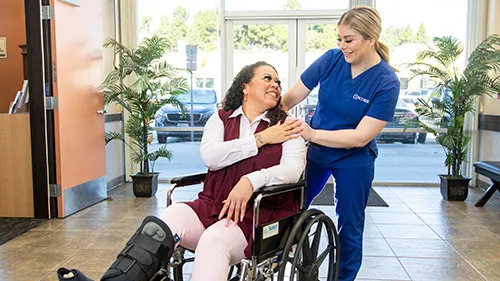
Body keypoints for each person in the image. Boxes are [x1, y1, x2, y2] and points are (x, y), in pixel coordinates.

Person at [58, 61, 306, 281]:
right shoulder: (220, 119)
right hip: (213, 206)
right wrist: (260, 139)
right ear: (245, 87)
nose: (275, 84)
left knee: (213, 240)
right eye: (267, 78)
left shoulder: (287, 126)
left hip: (260, 215)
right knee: (161, 224)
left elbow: (293, 171)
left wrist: (251, 181)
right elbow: (211, 157)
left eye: (278, 81)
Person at [282, 6, 400, 281]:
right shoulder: (332, 59)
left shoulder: (386, 81)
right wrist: (263, 115)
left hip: (354, 159)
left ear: (371, 39)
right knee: (290, 204)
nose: (342, 46)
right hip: (319, 152)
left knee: (350, 225)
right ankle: (283, 260)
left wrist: (311, 134)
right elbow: (291, 98)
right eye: (339, 38)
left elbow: (360, 136)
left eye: (349, 40)